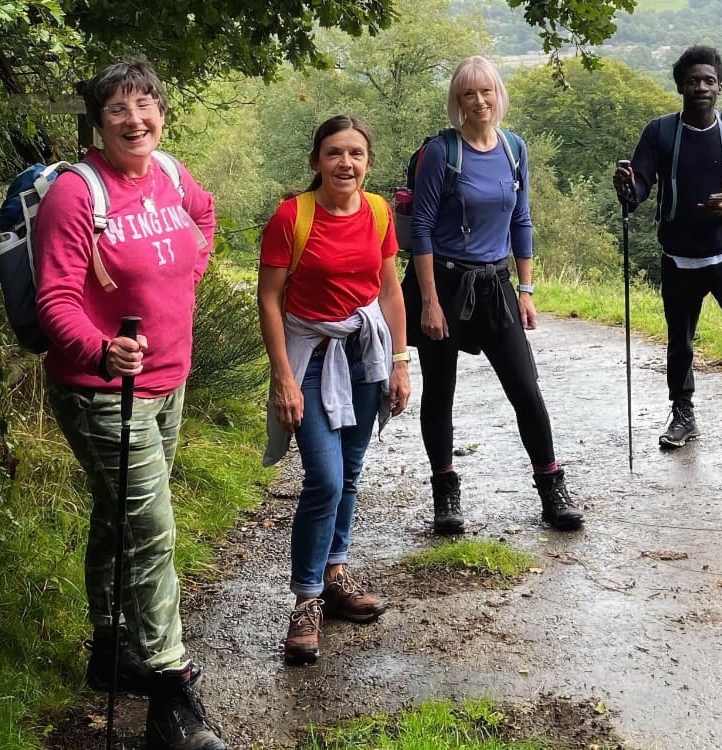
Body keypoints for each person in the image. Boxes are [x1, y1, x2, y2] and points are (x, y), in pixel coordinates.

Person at [34, 59, 226, 749]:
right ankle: (172, 696)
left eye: (145, 104)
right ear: (97, 121)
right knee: (151, 531)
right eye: (119, 108)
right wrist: (100, 349)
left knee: (121, 518)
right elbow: (54, 300)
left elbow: (203, 215)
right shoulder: (76, 195)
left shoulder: (171, 175)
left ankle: (112, 647)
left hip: (170, 382)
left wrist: (194, 263)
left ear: (162, 114)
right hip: (101, 391)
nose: (135, 118)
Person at [403, 56, 584, 535]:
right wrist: (428, 302)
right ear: (457, 101)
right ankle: (445, 493)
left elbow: (520, 220)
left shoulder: (513, 148)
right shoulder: (444, 153)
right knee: (440, 391)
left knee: (525, 387)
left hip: (496, 284)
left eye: (486, 92)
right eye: (468, 94)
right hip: (444, 282)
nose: (479, 101)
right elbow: (420, 228)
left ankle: (552, 487)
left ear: (498, 95)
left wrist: (526, 289)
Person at [258, 115, 410, 666]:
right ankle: (305, 601)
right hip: (311, 355)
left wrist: (399, 361)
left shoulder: (378, 212)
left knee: (350, 472)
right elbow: (270, 299)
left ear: (367, 161)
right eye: (334, 153)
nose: (346, 164)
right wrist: (283, 377)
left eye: (356, 154)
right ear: (316, 160)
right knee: (323, 478)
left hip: (364, 353)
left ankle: (336, 573)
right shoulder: (290, 217)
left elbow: (390, 290)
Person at [614, 45, 722, 453]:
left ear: (720, 87)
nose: (701, 87)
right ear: (680, 85)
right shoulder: (659, 132)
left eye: (709, 81)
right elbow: (639, 189)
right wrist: (627, 187)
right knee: (680, 342)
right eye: (693, 80)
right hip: (679, 257)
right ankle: (683, 415)